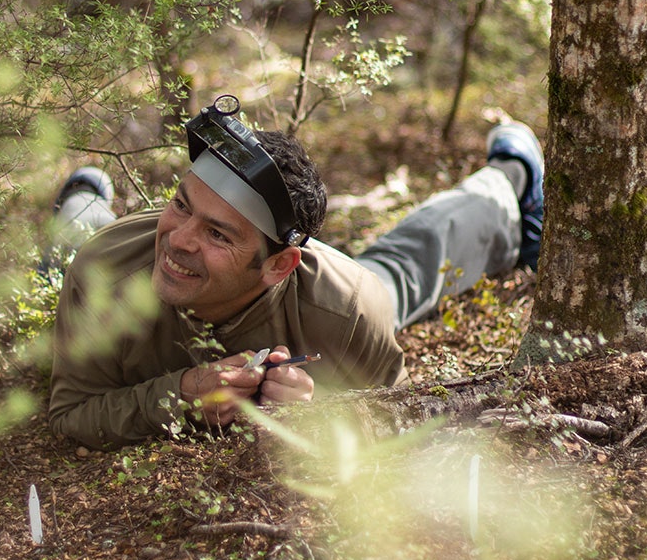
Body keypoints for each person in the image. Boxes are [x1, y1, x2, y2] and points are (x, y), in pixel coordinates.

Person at [48, 94, 544, 450]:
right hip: (111, 250)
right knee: (79, 239)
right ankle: (84, 198)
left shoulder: (347, 307)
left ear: (279, 265)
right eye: (180, 204)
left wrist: (320, 412)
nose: (179, 237)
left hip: (324, 289)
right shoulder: (106, 271)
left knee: (401, 272)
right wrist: (181, 396)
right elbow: (72, 413)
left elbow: (397, 418)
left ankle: (510, 177)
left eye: (218, 234)